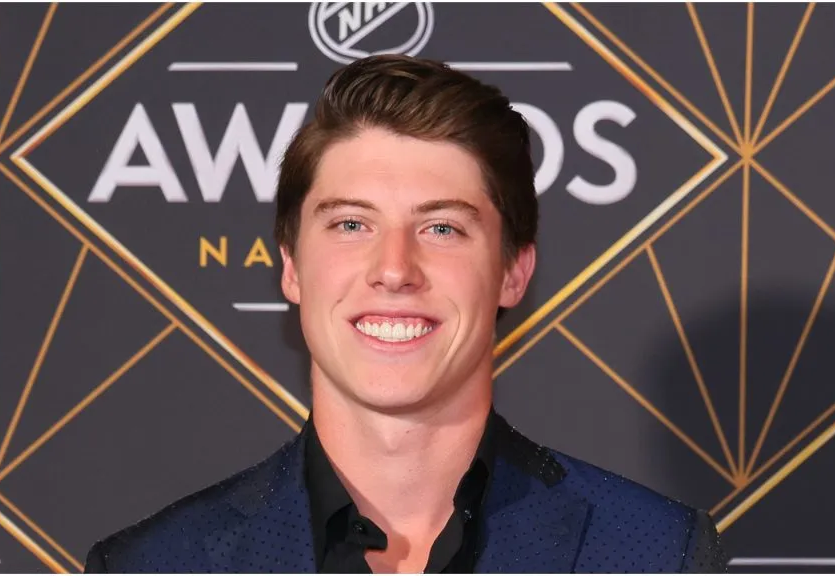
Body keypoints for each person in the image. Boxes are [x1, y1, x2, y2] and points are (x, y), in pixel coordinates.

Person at [83, 54, 726, 574]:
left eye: (442, 228)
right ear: (292, 267)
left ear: (513, 271)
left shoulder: (654, 554)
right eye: (351, 224)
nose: (394, 269)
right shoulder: (154, 565)